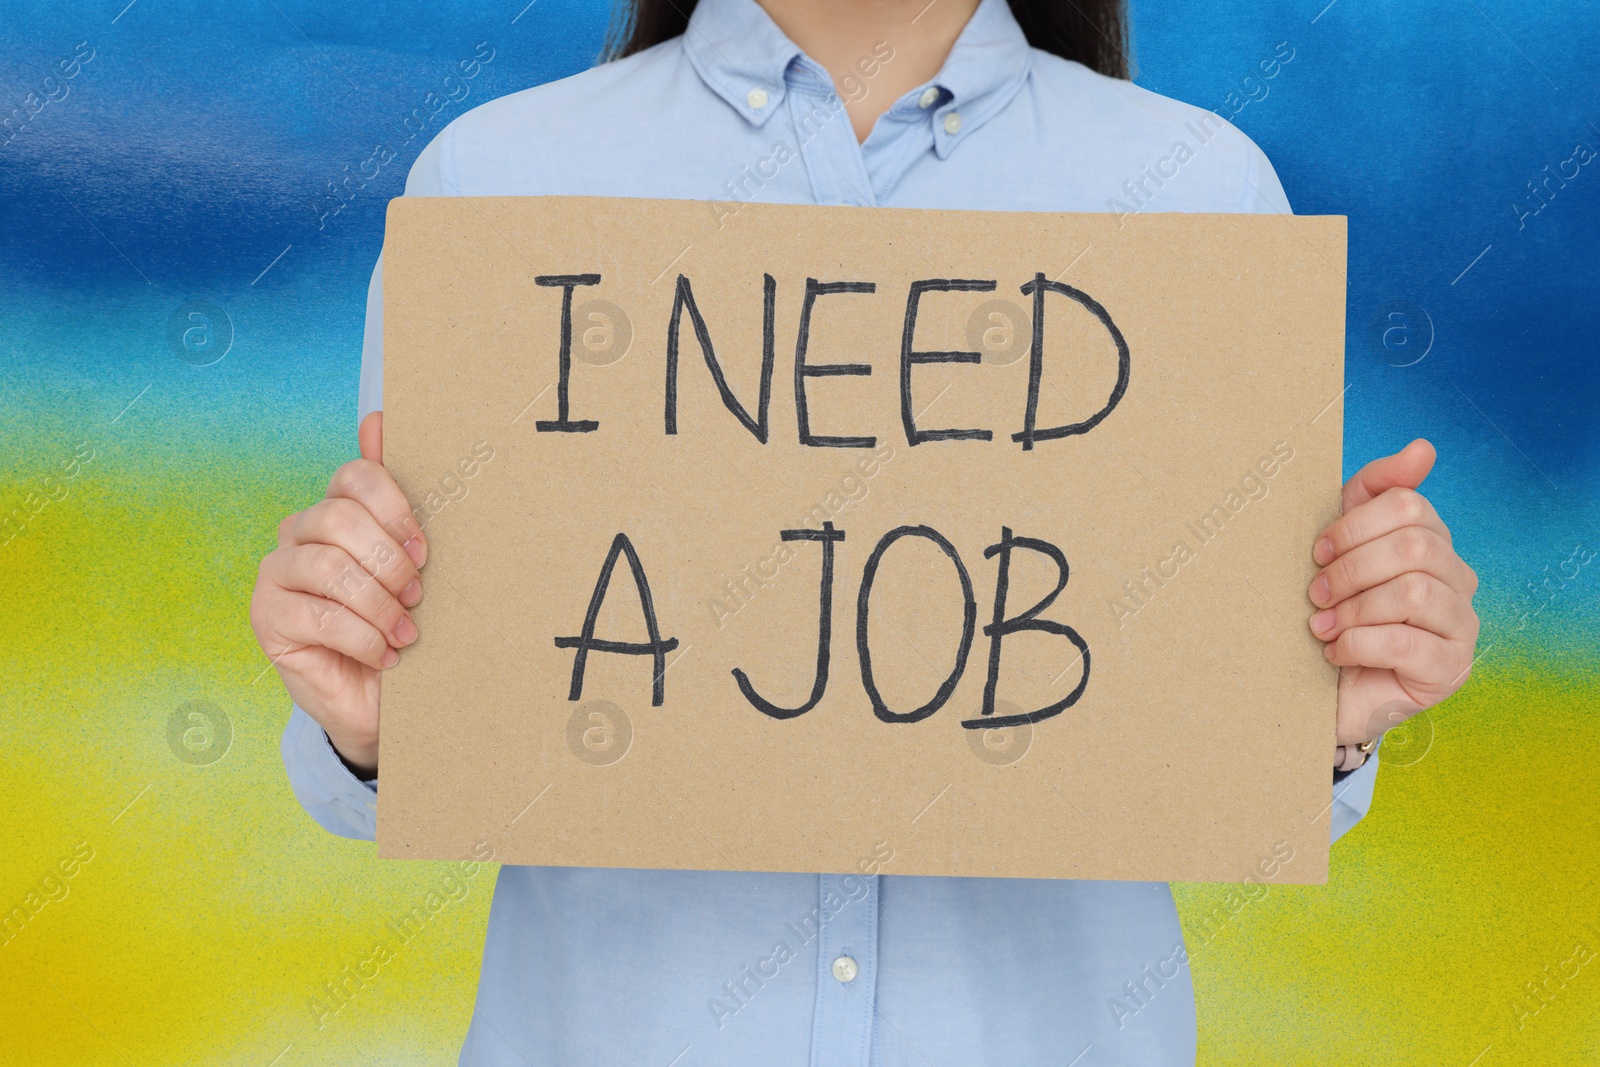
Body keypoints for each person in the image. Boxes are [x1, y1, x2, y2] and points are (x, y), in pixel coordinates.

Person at [249, 0, 1481, 1062]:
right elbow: (417, 758)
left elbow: (1213, 761)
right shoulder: (498, 181)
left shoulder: (1201, 191)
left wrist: (1324, 707)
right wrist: (368, 718)